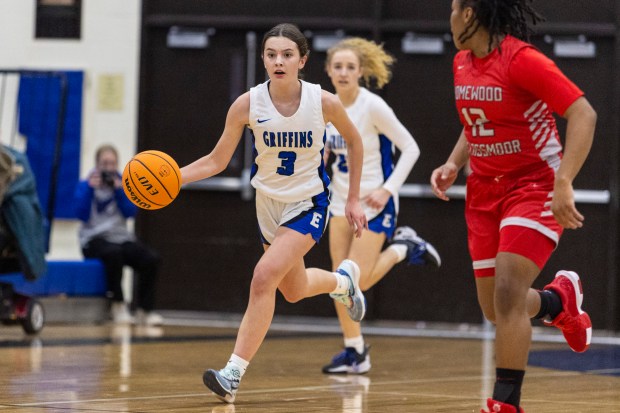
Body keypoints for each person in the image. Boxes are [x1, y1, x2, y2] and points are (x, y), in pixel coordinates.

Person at [180, 23, 368, 404]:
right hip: (267, 205)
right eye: (271, 55)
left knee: (263, 277)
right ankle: (343, 283)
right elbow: (217, 160)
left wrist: (351, 200)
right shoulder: (247, 104)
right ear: (263, 59)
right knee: (294, 290)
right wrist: (174, 178)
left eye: (286, 55)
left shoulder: (323, 102)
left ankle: (232, 374)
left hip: (308, 203)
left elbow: (355, 140)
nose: (278, 61)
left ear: (302, 60)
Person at [431, 1, 597, 412]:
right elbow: (477, 123)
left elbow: (583, 113)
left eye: (453, 8)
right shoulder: (461, 63)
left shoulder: (523, 61)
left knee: (507, 292)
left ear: (468, 14)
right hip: (484, 191)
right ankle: (559, 302)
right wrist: (455, 162)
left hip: (534, 184)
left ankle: (505, 403)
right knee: (496, 308)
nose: (449, 16)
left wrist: (564, 181)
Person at [321, 37, 441, 374]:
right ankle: (355, 351)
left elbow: (411, 148)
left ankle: (404, 247)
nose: (344, 72)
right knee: (337, 283)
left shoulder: (371, 106)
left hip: (374, 201)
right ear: (329, 71)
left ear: (360, 72)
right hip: (340, 202)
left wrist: (388, 190)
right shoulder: (324, 106)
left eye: (350, 67)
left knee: (355, 282)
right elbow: (327, 151)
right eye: (338, 67)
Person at [74, 144, 163, 326]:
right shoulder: (85, 185)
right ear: (97, 165)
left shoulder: (124, 184)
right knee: (114, 254)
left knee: (151, 259)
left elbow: (131, 212)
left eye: (112, 163)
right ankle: (118, 305)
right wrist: (90, 190)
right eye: (104, 163)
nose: (108, 168)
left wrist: (120, 191)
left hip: (120, 237)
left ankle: (144, 311)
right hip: (93, 239)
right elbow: (79, 214)